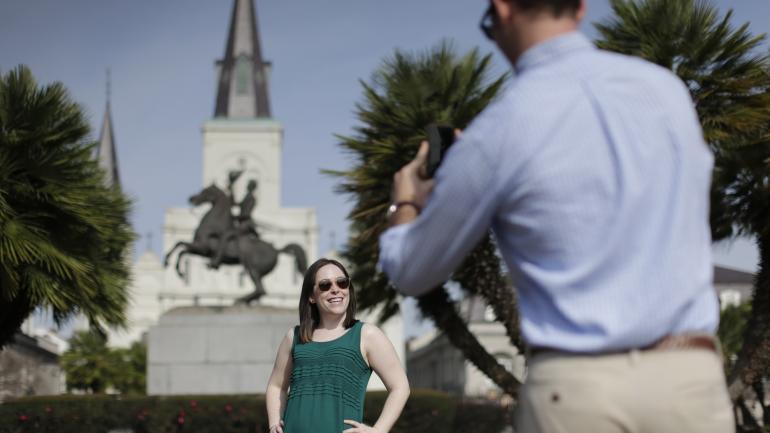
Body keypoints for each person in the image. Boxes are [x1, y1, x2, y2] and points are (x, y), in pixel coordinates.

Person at [378, 0, 734, 432]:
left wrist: (407, 202)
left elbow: (412, 270)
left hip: (578, 389)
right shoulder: (665, 91)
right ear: (581, 8)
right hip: (689, 380)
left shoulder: (499, 131)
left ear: (502, 10)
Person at [265, 258, 410, 433]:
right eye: (325, 285)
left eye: (342, 283)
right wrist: (274, 422)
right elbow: (276, 386)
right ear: (311, 296)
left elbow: (400, 386)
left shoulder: (367, 335)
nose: (336, 290)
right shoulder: (294, 337)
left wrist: (379, 430)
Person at [210, 178, 259, 269]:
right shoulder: (247, 197)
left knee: (226, 236)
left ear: (252, 187)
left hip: (245, 224)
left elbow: (245, 214)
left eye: (249, 185)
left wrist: (235, 217)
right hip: (242, 222)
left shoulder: (251, 198)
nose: (247, 186)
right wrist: (231, 190)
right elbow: (234, 204)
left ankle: (217, 260)